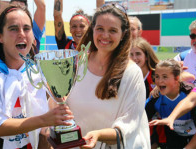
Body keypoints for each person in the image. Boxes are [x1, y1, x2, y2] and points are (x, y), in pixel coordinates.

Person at [0, 5, 73, 148]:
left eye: (27, 28)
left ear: (33, 36)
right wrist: (44, 120)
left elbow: (41, 129)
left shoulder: (35, 72)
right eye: (13, 29)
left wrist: (57, 105)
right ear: (0, 36)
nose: (21, 33)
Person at [50, 4, 150, 148]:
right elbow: (60, 105)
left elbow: (130, 124)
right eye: (100, 29)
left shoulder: (132, 73)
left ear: (123, 34)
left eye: (113, 30)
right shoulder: (76, 63)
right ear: (93, 30)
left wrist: (98, 135)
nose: (105, 35)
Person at [145, 59, 196, 148]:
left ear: (177, 78)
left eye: (165, 77)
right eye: (157, 76)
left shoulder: (190, 94)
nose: (160, 81)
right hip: (176, 134)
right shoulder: (155, 96)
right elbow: (138, 118)